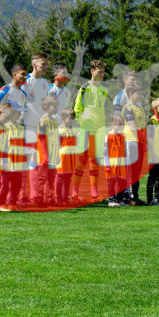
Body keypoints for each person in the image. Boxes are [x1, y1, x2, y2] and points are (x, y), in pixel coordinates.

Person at [73, 59, 111, 199]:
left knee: (95, 160)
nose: (102, 74)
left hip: (99, 130)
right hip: (86, 129)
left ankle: (94, 190)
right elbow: (77, 109)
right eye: (99, 72)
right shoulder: (84, 88)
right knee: (83, 159)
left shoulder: (104, 90)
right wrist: (80, 126)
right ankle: (75, 190)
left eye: (103, 72)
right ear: (92, 71)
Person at [23, 53, 52, 201]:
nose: (45, 67)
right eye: (43, 64)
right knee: (29, 160)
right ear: (34, 65)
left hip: (42, 128)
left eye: (46, 64)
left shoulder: (46, 83)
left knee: (41, 161)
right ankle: (25, 195)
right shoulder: (25, 81)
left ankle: (36, 195)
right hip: (28, 126)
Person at [121, 86, 147, 205]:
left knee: (137, 170)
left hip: (139, 142)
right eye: (138, 93)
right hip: (130, 140)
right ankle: (128, 196)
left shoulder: (139, 109)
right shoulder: (128, 108)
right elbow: (132, 127)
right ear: (131, 93)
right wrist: (146, 138)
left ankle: (135, 196)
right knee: (130, 169)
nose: (140, 96)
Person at [36, 96, 61, 205]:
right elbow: (41, 139)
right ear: (46, 108)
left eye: (57, 106)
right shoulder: (43, 120)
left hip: (53, 153)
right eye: (54, 106)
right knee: (42, 177)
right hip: (44, 154)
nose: (56, 108)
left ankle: (49, 198)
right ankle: (38, 199)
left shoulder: (55, 121)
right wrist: (46, 155)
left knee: (51, 177)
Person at [104, 113, 128, 207]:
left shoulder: (122, 136)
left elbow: (125, 152)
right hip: (111, 164)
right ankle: (111, 200)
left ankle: (120, 200)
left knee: (122, 182)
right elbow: (105, 152)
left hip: (121, 164)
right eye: (119, 124)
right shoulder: (108, 136)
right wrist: (107, 165)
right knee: (111, 183)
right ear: (113, 124)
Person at [57, 108, 79, 203]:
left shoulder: (73, 130)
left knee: (68, 178)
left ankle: (65, 197)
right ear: (63, 118)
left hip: (71, 158)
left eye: (72, 119)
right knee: (60, 178)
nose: (71, 120)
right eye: (70, 118)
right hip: (62, 158)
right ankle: (58, 198)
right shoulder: (60, 130)